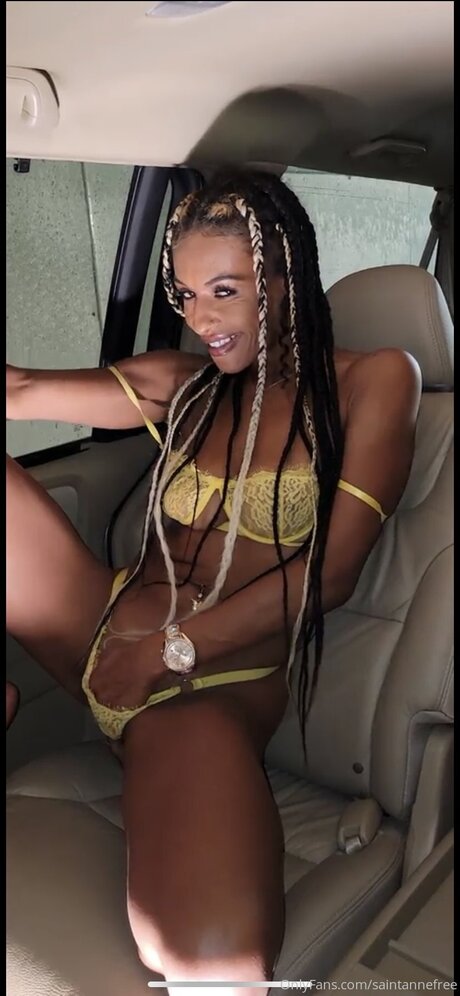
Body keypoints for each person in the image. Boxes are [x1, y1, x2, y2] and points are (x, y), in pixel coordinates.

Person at [6, 171, 421, 994]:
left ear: (285, 279)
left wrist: (164, 654)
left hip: (204, 690)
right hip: (101, 628)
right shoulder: (189, 386)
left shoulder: (374, 380)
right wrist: (130, 648)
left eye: (224, 291)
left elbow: (331, 574)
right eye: (189, 295)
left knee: (208, 959)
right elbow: (17, 389)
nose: (201, 319)